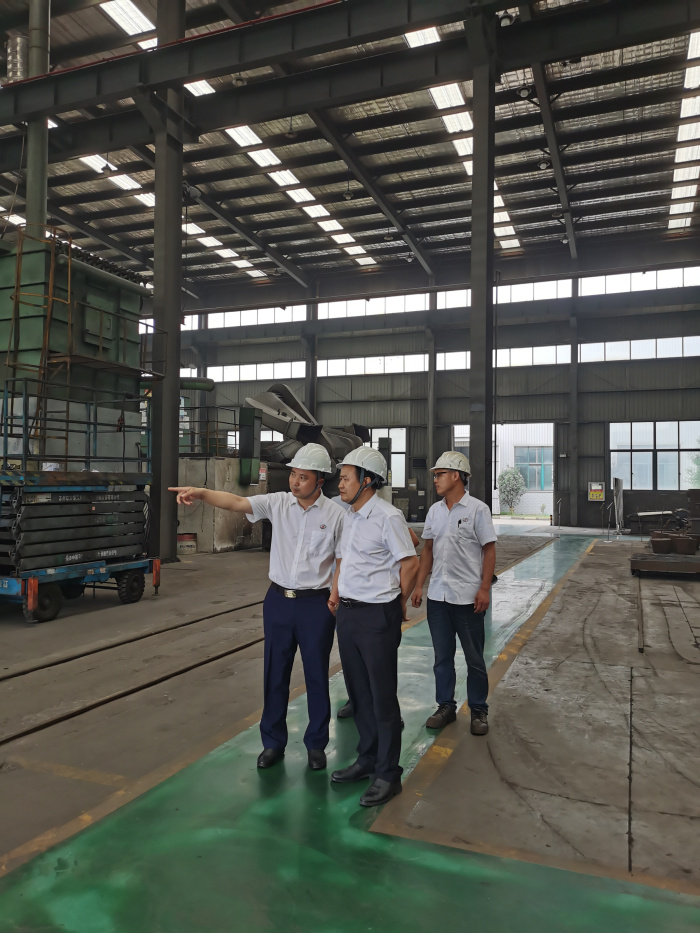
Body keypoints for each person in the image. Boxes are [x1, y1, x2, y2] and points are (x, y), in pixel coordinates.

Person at [170, 443, 344, 771]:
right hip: (278, 601)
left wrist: (334, 597)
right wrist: (201, 493)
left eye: (303, 477)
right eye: (293, 474)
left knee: (316, 675)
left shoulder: (336, 515)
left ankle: (316, 744)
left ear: (320, 481)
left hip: (316, 605)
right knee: (274, 673)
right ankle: (272, 742)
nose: (295, 482)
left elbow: (341, 559)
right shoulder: (278, 503)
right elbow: (236, 502)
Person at [328, 448, 418, 807]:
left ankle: (388, 773)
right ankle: (367, 759)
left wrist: (397, 604)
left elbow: (409, 564)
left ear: (367, 481)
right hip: (349, 614)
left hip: (377, 615)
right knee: (359, 693)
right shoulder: (349, 516)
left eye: (345, 478)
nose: (340, 484)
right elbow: (344, 560)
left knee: (382, 697)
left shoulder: (387, 517)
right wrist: (336, 593)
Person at [411, 452, 497, 736]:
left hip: (468, 598)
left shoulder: (478, 510)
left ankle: (479, 709)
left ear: (456, 475)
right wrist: (419, 586)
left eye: (440, 475)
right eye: (435, 475)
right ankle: (445, 706)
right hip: (439, 597)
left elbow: (489, 550)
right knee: (442, 657)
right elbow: (427, 550)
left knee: (474, 658)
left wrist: (484, 588)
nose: (435, 480)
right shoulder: (434, 511)